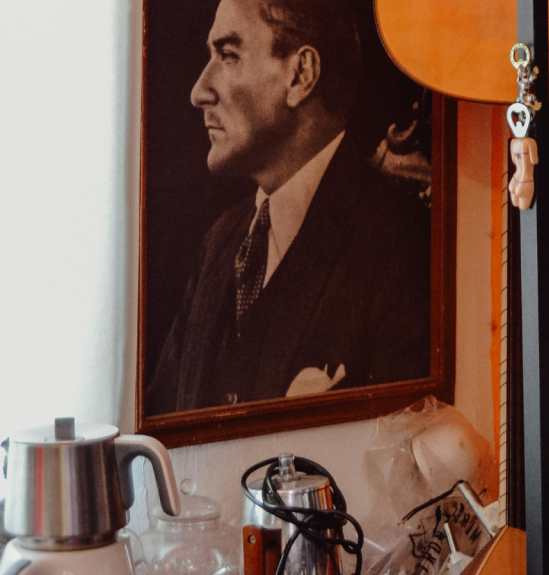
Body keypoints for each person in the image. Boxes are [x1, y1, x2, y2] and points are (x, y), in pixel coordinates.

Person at [145, 0, 431, 415]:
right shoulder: (220, 243)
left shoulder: (397, 241)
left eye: (228, 55)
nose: (198, 92)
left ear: (301, 75)